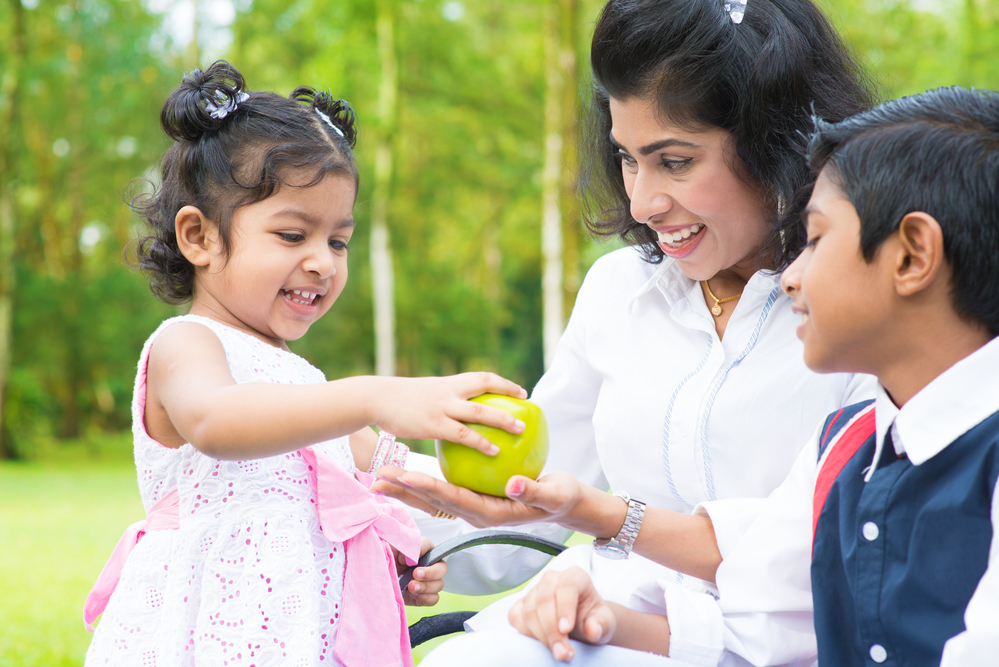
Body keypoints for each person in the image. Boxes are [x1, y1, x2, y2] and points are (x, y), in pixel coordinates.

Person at [376, 0, 875, 654]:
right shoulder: (617, 292)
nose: (641, 201)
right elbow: (530, 504)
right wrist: (376, 490)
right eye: (626, 158)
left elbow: (814, 553)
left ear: (776, 143)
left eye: (673, 161)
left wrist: (605, 519)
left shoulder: (865, 311)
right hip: (587, 620)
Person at [466, 86, 999, 666]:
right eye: (627, 158)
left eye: (816, 240)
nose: (791, 276)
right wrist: (604, 618)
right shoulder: (847, 445)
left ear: (912, 255)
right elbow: (757, 628)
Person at [82, 61, 530, 667]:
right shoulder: (185, 345)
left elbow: (398, 475)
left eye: (338, 241)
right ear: (200, 238)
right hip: (207, 632)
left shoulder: (306, 385)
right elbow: (217, 421)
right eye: (294, 236)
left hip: (304, 634)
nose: (323, 262)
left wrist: (472, 494)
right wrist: (373, 396)